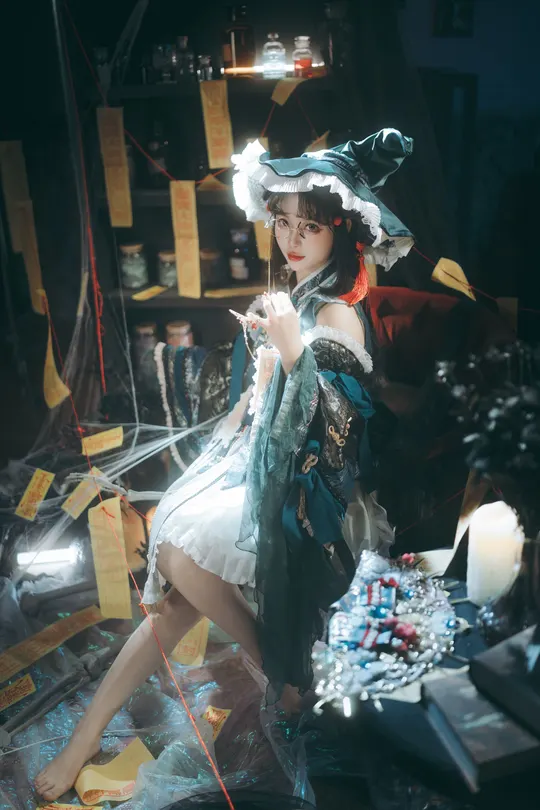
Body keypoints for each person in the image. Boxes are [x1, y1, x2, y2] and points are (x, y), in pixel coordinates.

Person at [35, 128, 414, 801]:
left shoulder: (336, 314)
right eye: (283, 223)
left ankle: (279, 671)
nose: (292, 239)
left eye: (309, 227)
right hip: (260, 466)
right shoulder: (296, 298)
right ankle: (87, 737)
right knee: (176, 588)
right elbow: (262, 405)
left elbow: (340, 436)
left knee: (178, 553)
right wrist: (256, 383)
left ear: (340, 232)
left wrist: (292, 353)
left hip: (312, 496)